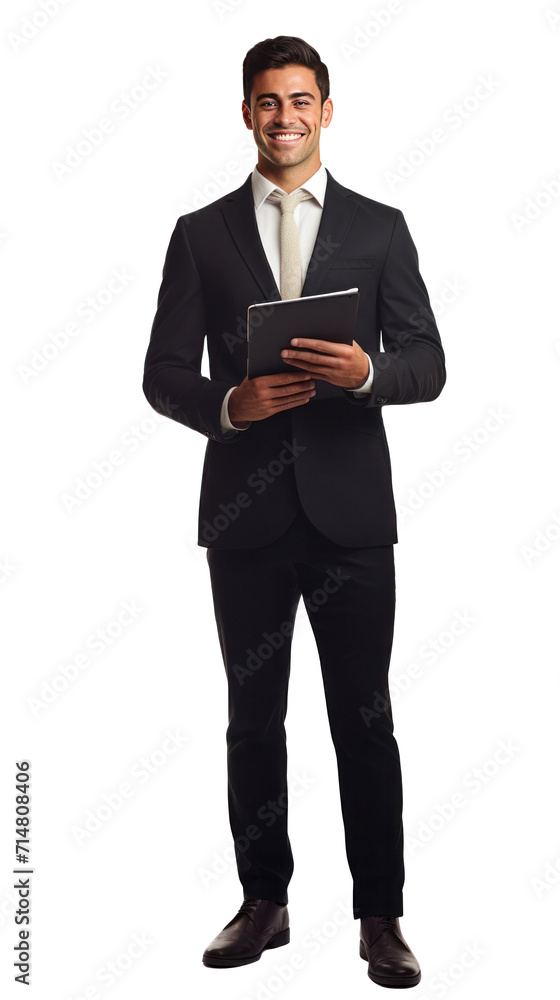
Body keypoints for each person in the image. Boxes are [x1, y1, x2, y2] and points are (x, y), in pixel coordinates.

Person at [142, 34, 446, 988]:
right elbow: (160, 375)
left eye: (301, 100)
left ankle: (381, 917)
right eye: (268, 102)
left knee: (367, 720)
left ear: (327, 108)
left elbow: (429, 363)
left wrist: (369, 374)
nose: (285, 117)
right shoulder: (201, 232)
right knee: (252, 719)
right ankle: (264, 902)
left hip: (353, 519)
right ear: (246, 113)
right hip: (246, 516)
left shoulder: (380, 226)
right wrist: (226, 406)